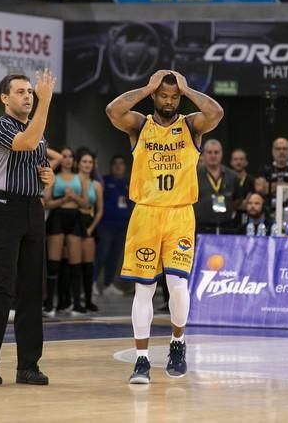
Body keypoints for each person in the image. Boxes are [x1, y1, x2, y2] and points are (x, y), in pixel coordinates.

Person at [105, 69, 224, 384]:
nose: (169, 101)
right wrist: (146, 88)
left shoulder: (190, 126)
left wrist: (189, 88)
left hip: (180, 214)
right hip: (145, 213)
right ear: (155, 96)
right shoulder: (140, 126)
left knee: (177, 284)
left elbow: (216, 112)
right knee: (144, 288)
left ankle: (178, 342)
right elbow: (113, 111)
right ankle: (141, 360)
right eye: (164, 95)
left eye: (174, 97)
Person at [0, 70, 56, 387]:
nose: (28, 96)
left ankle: (28, 365)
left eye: (31, 91)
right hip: (4, 206)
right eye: (21, 91)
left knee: (32, 289)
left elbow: (39, 161)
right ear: (4, 97)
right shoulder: (0, 126)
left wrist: (49, 179)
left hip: (32, 207)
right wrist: (46, 101)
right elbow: (27, 142)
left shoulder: (38, 131)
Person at [43, 147, 84, 317]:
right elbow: (47, 202)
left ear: (73, 160)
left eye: (70, 156)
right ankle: (49, 305)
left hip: (75, 216)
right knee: (53, 262)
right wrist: (64, 199)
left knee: (75, 262)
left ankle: (75, 304)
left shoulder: (79, 178)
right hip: (58, 216)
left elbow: (86, 202)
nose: (67, 159)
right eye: (64, 156)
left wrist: (73, 198)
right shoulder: (54, 177)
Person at [95, 155, 132, 296]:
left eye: (121, 163)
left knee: (115, 256)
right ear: (111, 166)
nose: (118, 166)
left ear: (125, 167)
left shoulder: (129, 183)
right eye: (115, 163)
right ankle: (92, 283)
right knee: (102, 254)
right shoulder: (105, 181)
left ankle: (108, 284)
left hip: (122, 226)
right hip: (106, 225)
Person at [73, 149, 103, 312]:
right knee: (74, 264)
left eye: (90, 162)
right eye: (84, 161)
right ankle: (76, 300)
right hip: (74, 220)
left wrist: (92, 227)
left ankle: (89, 299)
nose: (87, 165)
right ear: (78, 163)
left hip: (90, 222)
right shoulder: (73, 180)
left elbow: (100, 210)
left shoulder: (96, 185)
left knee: (88, 264)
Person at [194, 139, 240, 234]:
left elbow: (238, 199)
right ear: (203, 154)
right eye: (209, 152)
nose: (213, 155)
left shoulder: (232, 176)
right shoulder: (195, 175)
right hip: (201, 227)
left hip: (227, 227)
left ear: (222, 153)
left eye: (216, 152)